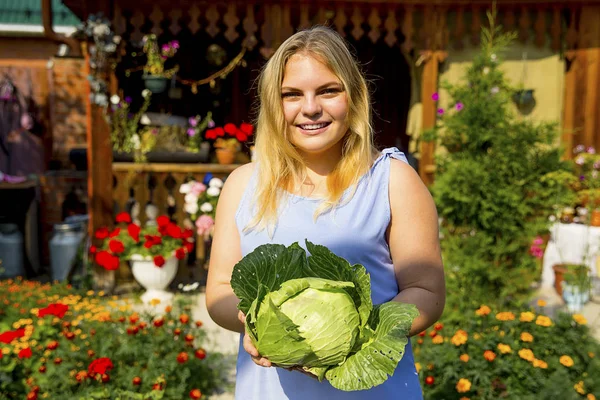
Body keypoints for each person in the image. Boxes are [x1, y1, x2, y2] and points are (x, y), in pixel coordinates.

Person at [205, 26, 445, 400]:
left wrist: (358, 334)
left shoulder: (392, 180)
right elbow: (219, 291)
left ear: (353, 96)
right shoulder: (243, 185)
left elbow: (427, 290)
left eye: (328, 91)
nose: (311, 108)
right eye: (291, 95)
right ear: (272, 103)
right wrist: (252, 325)